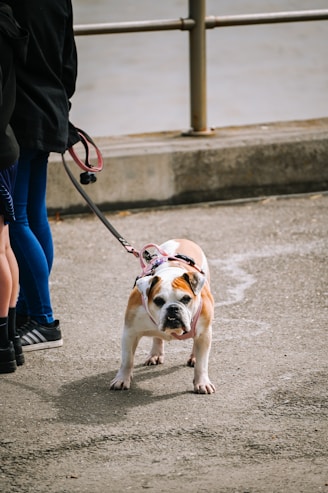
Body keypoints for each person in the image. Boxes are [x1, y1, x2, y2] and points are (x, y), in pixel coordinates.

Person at [7, 0, 79, 351]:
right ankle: (27, 310)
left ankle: (43, 320)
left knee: (15, 220)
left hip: (21, 114)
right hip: (51, 111)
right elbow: (69, 64)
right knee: (34, 215)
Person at [0, 3, 27, 372]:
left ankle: (3, 342)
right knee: (4, 246)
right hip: (6, 145)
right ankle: (10, 340)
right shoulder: (7, 21)